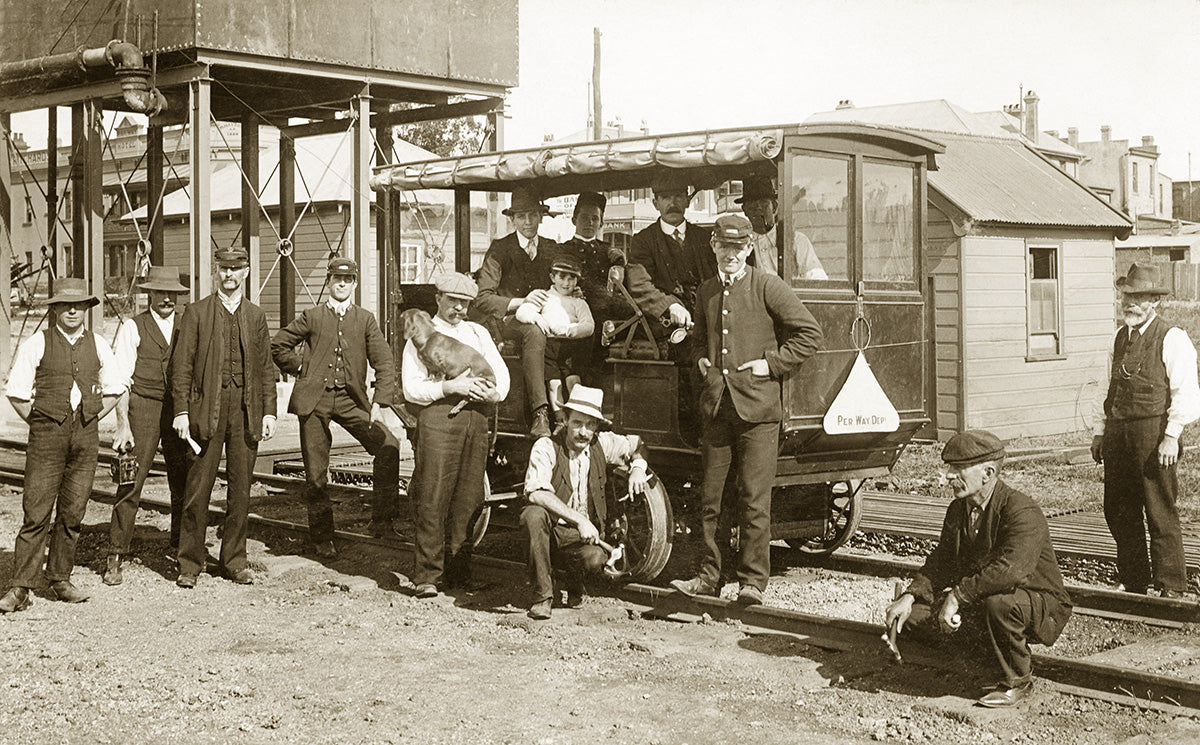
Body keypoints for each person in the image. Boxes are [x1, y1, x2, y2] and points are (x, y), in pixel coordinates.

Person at [670, 214, 822, 606]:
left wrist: (770, 364)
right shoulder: (706, 291)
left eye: (738, 248)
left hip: (758, 410)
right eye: (723, 246)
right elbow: (698, 341)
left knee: (754, 498)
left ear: (749, 249)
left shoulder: (768, 285)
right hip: (718, 407)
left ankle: (752, 582)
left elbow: (810, 333)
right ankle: (709, 577)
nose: (730, 254)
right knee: (712, 498)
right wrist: (701, 360)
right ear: (714, 248)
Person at [885, 430, 1073, 708]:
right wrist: (909, 596)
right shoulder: (958, 509)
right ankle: (985, 663)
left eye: (958, 468)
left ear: (988, 472)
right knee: (912, 618)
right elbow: (942, 561)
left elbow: (1011, 571)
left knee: (999, 605)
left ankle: (1017, 680)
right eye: (949, 467)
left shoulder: (1021, 510)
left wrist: (956, 597)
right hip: (984, 597)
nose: (949, 475)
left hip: (1034, 601)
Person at [0, 278, 126, 612]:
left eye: (79, 305)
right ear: (54, 308)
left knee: (72, 513)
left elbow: (115, 388)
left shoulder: (98, 344)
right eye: (65, 305)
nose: (72, 310)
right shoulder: (36, 343)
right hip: (46, 439)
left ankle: (60, 579)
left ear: (86, 309)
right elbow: (16, 392)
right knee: (36, 513)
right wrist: (43, 421)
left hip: (85, 438)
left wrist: (89, 416)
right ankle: (21, 587)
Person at [272, 257, 404, 559]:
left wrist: (380, 401)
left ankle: (381, 522)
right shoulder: (312, 315)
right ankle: (322, 537)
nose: (341, 284)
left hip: (350, 399)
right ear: (329, 282)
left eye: (347, 280)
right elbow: (278, 346)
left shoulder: (365, 319)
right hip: (314, 401)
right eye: (336, 279)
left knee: (388, 445)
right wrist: (303, 366)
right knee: (316, 473)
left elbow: (384, 361)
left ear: (354, 284)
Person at [1091, 262, 1200, 598]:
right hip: (1118, 436)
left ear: (1155, 301)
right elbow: (1104, 390)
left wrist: (1171, 435)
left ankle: (1171, 585)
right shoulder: (1119, 337)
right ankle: (1135, 579)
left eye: (1138, 297)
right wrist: (1099, 432)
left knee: (1159, 509)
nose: (1130, 303)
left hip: (1153, 436)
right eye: (1126, 296)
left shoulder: (1172, 337)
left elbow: (1186, 392)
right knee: (1119, 509)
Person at [171, 247, 277, 588]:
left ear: (245, 272)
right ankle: (189, 563)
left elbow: (265, 369)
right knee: (197, 488)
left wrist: (269, 412)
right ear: (216, 271)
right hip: (206, 412)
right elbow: (181, 366)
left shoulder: (255, 315)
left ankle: (234, 560)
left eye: (236, 269)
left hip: (246, 412)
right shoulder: (197, 313)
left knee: (241, 490)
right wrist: (182, 411)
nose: (229, 275)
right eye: (224, 269)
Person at [403, 273, 509, 598]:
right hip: (438, 418)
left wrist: (491, 394)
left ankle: (460, 576)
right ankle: (427, 577)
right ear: (438, 299)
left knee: (469, 498)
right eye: (453, 301)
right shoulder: (421, 337)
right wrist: (450, 386)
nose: (459, 309)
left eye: (464, 303)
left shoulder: (478, 333)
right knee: (433, 496)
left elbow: (501, 376)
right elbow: (411, 387)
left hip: (476, 419)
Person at [520, 385, 649, 620]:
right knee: (533, 514)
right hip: (552, 529)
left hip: (581, 538)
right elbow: (536, 492)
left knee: (595, 559)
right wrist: (579, 519)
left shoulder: (603, 444)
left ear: (596, 428)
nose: (583, 432)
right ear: (565, 420)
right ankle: (543, 596)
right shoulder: (546, 446)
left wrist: (638, 468)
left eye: (590, 425)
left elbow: (638, 444)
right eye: (577, 423)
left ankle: (573, 581)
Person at [106, 265, 191, 585]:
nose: (167, 299)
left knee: (184, 481)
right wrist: (122, 424)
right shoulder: (133, 326)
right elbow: (120, 381)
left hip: (179, 411)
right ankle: (116, 553)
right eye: (160, 292)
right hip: (143, 407)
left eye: (172, 294)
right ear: (150, 294)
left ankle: (182, 547)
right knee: (131, 480)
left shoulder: (187, 324)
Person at [472, 186, 558, 438]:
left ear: (541, 216)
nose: (528, 222)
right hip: (507, 322)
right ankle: (540, 413)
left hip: (547, 317)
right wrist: (520, 302)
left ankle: (571, 412)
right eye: (521, 216)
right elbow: (482, 298)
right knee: (534, 332)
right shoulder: (500, 249)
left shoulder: (552, 248)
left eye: (533, 215)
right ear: (512, 219)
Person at [625, 176, 716, 334]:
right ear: (656, 204)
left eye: (678, 197)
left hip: (707, 318)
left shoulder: (704, 238)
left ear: (687, 201)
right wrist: (670, 306)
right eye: (666, 198)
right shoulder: (643, 241)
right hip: (666, 325)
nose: (672, 204)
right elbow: (640, 285)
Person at [515, 256, 595, 408]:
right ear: (552, 277)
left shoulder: (578, 302)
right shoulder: (544, 297)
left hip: (571, 348)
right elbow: (522, 312)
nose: (566, 283)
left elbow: (588, 325)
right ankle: (560, 418)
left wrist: (570, 330)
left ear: (577, 281)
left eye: (571, 278)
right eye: (562, 277)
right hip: (549, 347)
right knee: (554, 383)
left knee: (573, 381)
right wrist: (536, 318)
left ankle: (576, 413)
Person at [737, 176, 827, 280]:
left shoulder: (796, 240)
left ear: (774, 207)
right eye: (752, 205)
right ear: (744, 210)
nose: (758, 209)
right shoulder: (741, 244)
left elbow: (816, 279)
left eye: (763, 204)